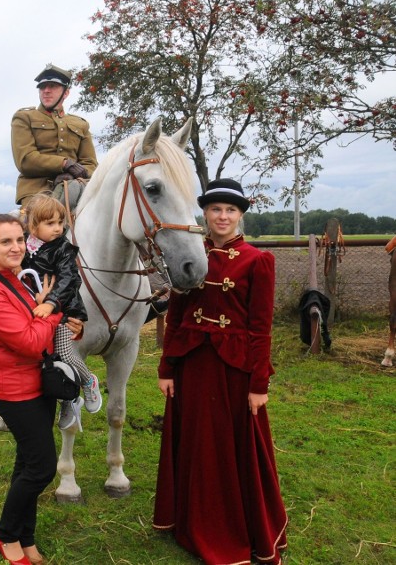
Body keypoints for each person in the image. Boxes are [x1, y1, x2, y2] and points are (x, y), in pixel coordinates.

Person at [153, 179, 288, 565]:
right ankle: (190, 519)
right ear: (205, 215)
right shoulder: (189, 255)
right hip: (193, 366)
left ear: (240, 215)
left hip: (235, 371)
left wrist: (259, 384)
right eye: (215, 210)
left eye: (230, 210)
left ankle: (236, 525)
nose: (222, 216)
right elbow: (176, 317)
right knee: (196, 442)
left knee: (233, 449)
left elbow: (261, 328)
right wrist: (167, 367)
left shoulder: (258, 261)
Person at [0, 214, 83, 565]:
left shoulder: (15, 277)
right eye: (6, 242)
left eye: (20, 239)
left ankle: (26, 537)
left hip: (38, 382)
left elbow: (36, 315)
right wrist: (53, 311)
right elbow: (31, 341)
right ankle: (5, 534)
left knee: (27, 461)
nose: (16, 247)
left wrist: (53, 316)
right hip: (14, 389)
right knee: (42, 467)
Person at [21, 194, 102, 431]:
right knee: (51, 361)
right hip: (37, 309)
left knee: (66, 355)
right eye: (51, 224)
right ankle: (68, 398)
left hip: (66, 310)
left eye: (60, 223)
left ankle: (88, 380)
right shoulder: (26, 247)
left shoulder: (64, 249)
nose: (58, 228)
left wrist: (52, 302)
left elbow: (68, 279)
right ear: (33, 226)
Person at [11, 63, 98, 207]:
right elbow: (25, 160)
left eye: (53, 86)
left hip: (76, 188)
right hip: (37, 191)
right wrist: (65, 164)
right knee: (39, 226)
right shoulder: (24, 117)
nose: (46, 91)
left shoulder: (80, 124)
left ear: (66, 93)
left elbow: (91, 164)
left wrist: (74, 176)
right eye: (42, 87)